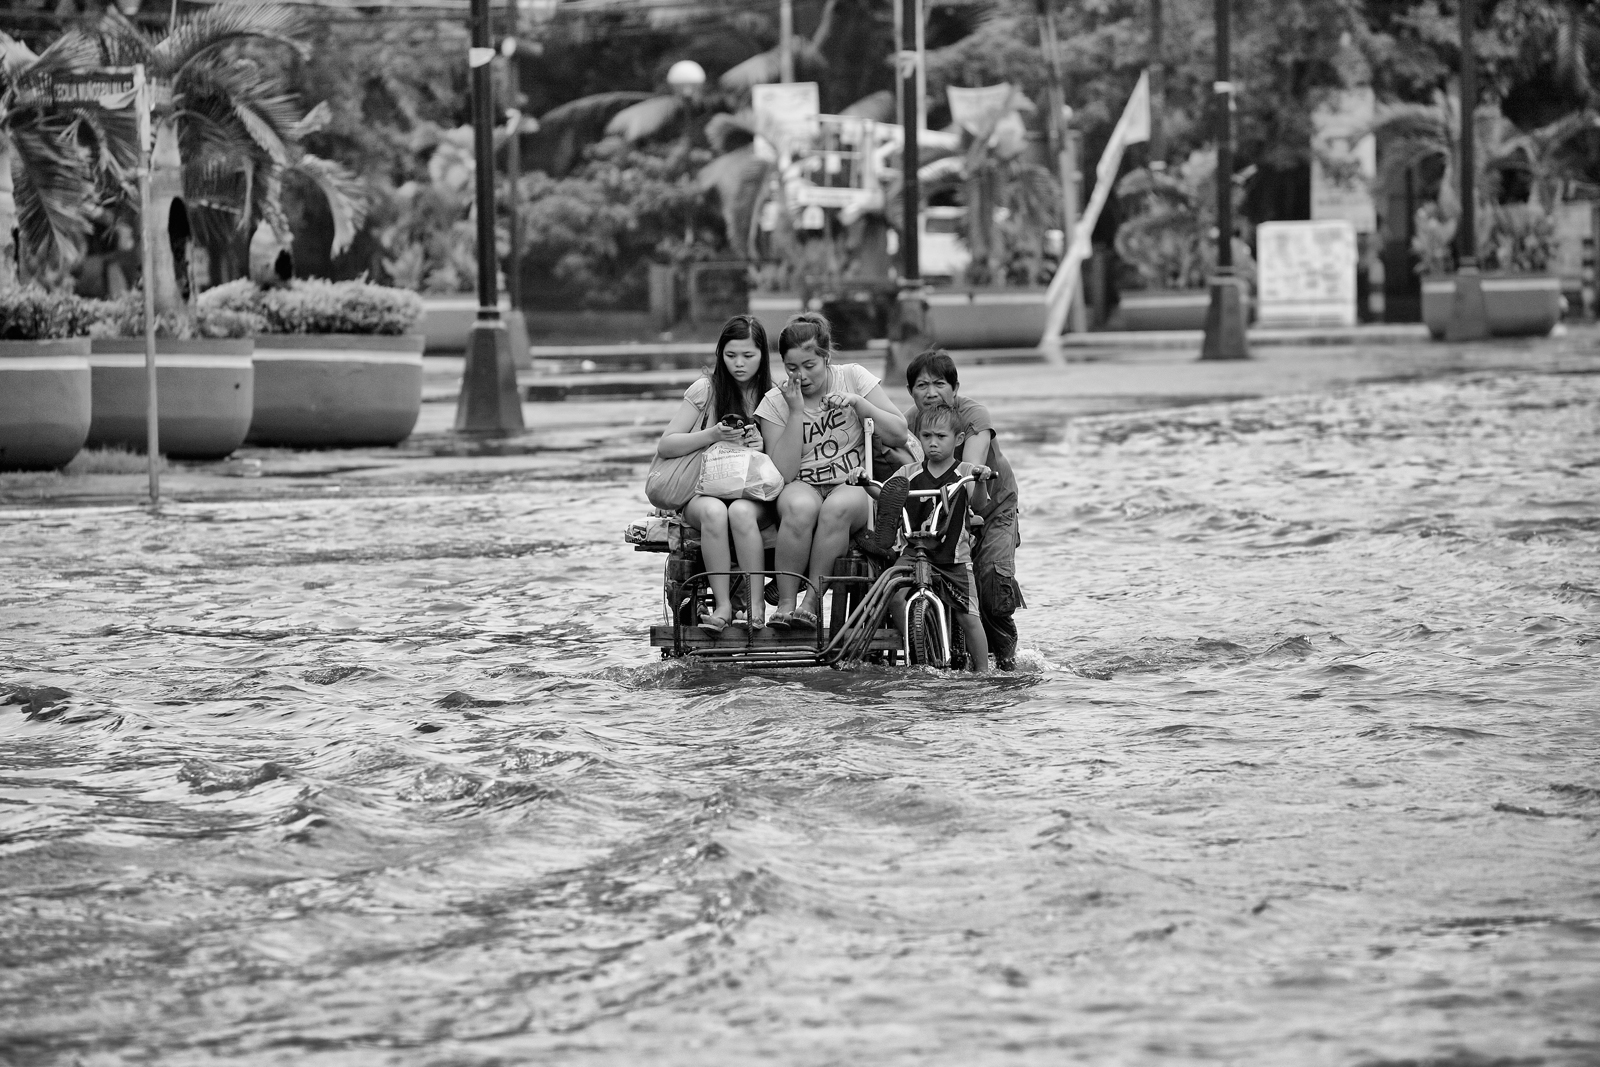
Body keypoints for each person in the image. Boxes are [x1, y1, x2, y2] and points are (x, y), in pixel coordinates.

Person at [755, 312, 909, 630]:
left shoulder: (852, 377)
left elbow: (898, 432)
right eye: (792, 368)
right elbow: (782, 473)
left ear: (825, 357)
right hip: (801, 483)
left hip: (852, 482)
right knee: (800, 507)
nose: (802, 376)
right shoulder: (775, 402)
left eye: (809, 366)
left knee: (836, 508)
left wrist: (859, 404)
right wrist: (795, 410)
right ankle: (785, 604)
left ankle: (811, 601)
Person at [902, 348, 1025, 670]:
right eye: (921, 385)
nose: (930, 393)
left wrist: (973, 483)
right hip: (945, 512)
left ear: (954, 389)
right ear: (911, 391)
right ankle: (947, 652)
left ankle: (1006, 662)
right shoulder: (912, 421)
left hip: (992, 505)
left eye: (939, 384)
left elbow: (970, 465)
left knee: (990, 581)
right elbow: (893, 456)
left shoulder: (974, 415)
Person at [654, 314, 776, 632]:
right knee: (713, 511)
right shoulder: (705, 390)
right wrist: (714, 435)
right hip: (702, 491)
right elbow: (667, 445)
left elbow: (784, 463)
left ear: (763, 356)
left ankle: (756, 605)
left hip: (751, 494)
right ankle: (722, 605)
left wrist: (761, 444)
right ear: (720, 354)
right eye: (730, 355)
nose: (739, 364)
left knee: (738, 511)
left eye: (748, 356)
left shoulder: (774, 397)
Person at [848, 401, 990, 672]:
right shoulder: (908, 473)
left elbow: (981, 505)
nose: (932, 443)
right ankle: (916, 646)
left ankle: (983, 671)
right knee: (895, 595)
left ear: (958, 439)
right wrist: (865, 481)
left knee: (969, 616)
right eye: (926, 437)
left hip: (954, 557)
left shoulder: (965, 472)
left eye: (941, 437)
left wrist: (980, 480)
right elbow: (884, 493)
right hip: (914, 551)